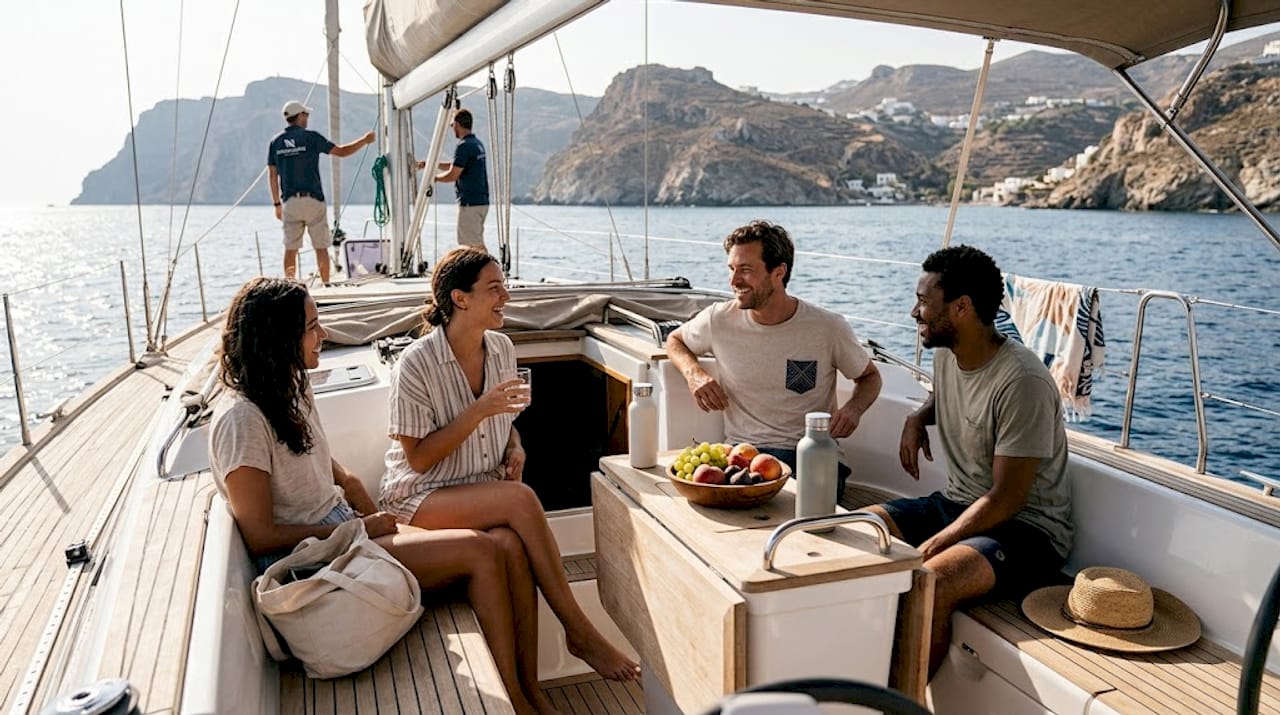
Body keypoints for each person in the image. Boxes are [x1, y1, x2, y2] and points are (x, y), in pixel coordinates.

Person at [209, 277, 555, 715]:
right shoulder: (242, 421)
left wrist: (360, 499)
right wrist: (361, 527)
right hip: (318, 565)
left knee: (507, 543)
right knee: (483, 551)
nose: (324, 335)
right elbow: (259, 536)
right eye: (312, 327)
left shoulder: (290, 388)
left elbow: (328, 468)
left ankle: (528, 689)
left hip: (347, 535)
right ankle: (517, 703)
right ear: (277, 339)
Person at [380, 246, 639, 684]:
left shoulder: (500, 348)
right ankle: (578, 630)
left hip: (479, 489)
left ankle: (527, 696)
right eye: (495, 288)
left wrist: (513, 446)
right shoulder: (416, 363)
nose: (507, 297)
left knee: (513, 549)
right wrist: (480, 410)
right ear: (460, 298)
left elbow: (507, 424)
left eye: (506, 287)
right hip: (418, 497)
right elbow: (419, 459)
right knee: (520, 499)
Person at [863, 245, 1073, 677]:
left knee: (929, 583)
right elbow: (947, 394)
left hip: (1028, 532)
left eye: (924, 301)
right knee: (852, 534)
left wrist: (938, 543)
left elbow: (1007, 499)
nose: (913, 313)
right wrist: (919, 416)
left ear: (961, 308)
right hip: (958, 503)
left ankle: (903, 707)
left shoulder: (1023, 382)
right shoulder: (947, 351)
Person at [665, 220, 882, 496]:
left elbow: (870, 377)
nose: (733, 282)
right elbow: (675, 340)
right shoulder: (718, 319)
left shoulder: (827, 327)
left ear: (779, 272)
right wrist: (694, 374)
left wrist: (854, 409)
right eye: (731, 269)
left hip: (809, 455)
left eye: (745, 270)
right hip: (741, 457)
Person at [267, 100, 375, 284]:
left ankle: (290, 286)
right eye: (306, 114)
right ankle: (326, 285)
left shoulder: (275, 142)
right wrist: (364, 141)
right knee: (321, 247)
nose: (307, 118)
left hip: (290, 203)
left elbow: (272, 176)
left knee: (290, 249)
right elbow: (341, 152)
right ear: (300, 116)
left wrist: (277, 204)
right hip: (313, 200)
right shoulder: (311, 137)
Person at [434, 108, 490, 250]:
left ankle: (490, 271)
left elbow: (453, 174)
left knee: (471, 245)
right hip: (481, 202)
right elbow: (456, 166)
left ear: (458, 125)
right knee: (475, 243)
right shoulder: (477, 144)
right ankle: (488, 270)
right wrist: (431, 165)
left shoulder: (463, 146)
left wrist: (433, 179)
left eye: (452, 125)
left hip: (470, 203)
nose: (453, 129)